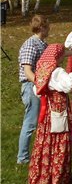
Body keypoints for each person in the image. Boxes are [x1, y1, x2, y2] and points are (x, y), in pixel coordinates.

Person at [29, 44, 72, 184]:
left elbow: (36, 90)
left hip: (47, 111)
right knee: (59, 142)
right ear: (57, 56)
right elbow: (69, 85)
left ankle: (41, 180)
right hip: (57, 110)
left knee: (45, 143)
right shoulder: (57, 71)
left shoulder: (42, 69)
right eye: (62, 54)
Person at [17, 15, 50, 164]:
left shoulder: (42, 44)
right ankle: (22, 158)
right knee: (30, 123)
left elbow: (57, 54)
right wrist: (39, 83)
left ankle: (39, 154)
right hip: (32, 87)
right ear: (42, 27)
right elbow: (27, 70)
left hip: (40, 87)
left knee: (40, 122)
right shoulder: (31, 44)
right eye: (47, 26)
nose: (49, 29)